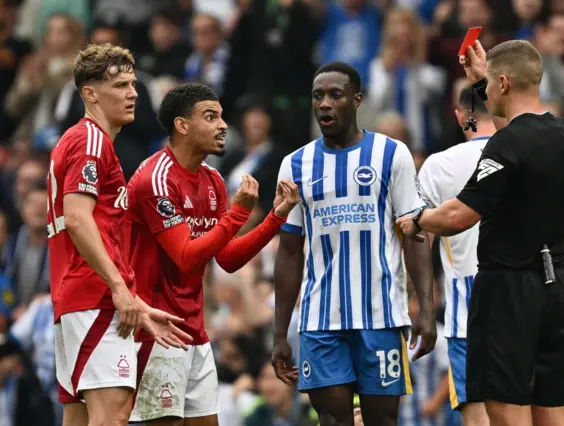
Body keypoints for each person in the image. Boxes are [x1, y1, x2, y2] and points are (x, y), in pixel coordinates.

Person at [396, 40, 564, 426]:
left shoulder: (492, 150)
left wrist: (416, 220)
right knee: (551, 411)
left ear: (503, 83)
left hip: (504, 295)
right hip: (556, 291)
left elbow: (458, 216)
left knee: (503, 414)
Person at [271, 61, 438, 426]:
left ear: (357, 100)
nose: (325, 104)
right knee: (333, 419)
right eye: (318, 96)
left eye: (335, 95)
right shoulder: (295, 165)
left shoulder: (392, 155)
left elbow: (415, 235)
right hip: (320, 321)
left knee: (382, 421)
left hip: (380, 317)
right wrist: (280, 332)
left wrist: (426, 307)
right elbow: (287, 252)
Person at [127, 82, 301, 426]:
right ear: (182, 125)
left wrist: (274, 217)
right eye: (211, 117)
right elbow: (187, 257)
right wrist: (238, 214)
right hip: (155, 330)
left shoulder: (213, 180)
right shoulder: (156, 179)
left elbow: (227, 258)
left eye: (222, 117)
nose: (223, 125)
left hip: (195, 332)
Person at [47, 43, 193, 426]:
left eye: (133, 85)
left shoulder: (80, 141)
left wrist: (137, 303)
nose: (132, 94)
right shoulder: (91, 141)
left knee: (79, 419)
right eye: (120, 86)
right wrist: (118, 287)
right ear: (90, 94)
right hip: (94, 296)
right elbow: (77, 220)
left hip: (78, 298)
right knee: (112, 416)